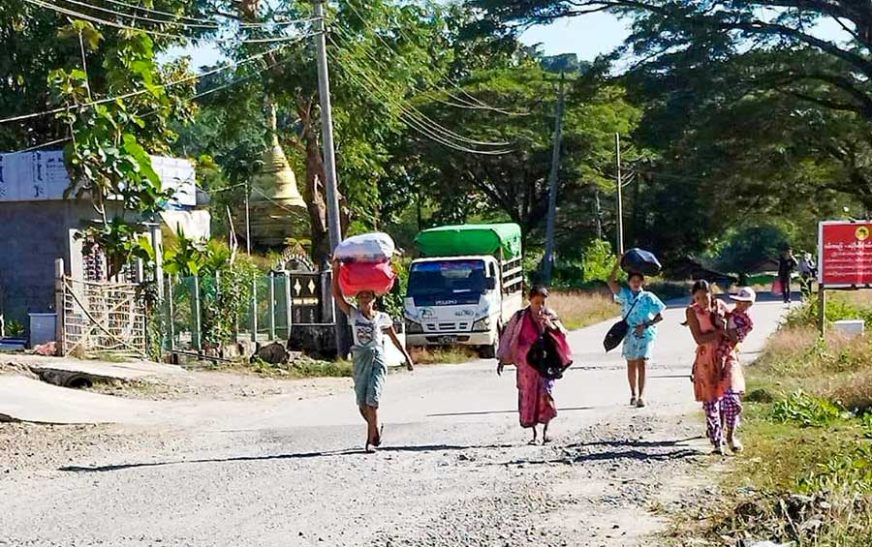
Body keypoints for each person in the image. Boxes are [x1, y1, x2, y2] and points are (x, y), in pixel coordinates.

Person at [331, 258, 414, 453]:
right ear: (358, 299)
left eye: (368, 297)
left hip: (377, 358)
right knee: (362, 404)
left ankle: (369, 441)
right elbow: (337, 296)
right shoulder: (353, 314)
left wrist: (407, 358)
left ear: (374, 299)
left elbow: (393, 338)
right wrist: (336, 272)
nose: (365, 300)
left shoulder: (382, 318)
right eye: (362, 297)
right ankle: (375, 428)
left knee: (372, 401)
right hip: (360, 359)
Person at [497, 286, 566, 445]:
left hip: (545, 363)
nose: (540, 306)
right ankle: (534, 434)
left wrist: (549, 325)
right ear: (530, 300)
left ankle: (546, 432)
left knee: (545, 393)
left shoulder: (550, 315)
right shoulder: (520, 316)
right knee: (528, 397)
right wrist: (502, 358)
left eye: (542, 302)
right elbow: (508, 338)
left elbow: (561, 334)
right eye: (536, 302)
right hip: (526, 365)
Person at [608, 256, 666, 408]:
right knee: (631, 364)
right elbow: (610, 282)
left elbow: (660, 316)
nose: (635, 283)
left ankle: (642, 395)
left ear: (642, 282)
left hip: (645, 334)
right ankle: (633, 393)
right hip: (629, 333)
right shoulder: (624, 295)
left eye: (638, 281)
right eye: (633, 281)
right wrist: (617, 263)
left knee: (643, 363)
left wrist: (647, 324)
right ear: (629, 282)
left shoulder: (648, 297)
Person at [686, 280, 730, 455]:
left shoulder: (721, 307)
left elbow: (732, 329)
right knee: (710, 398)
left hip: (724, 354)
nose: (702, 301)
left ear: (711, 294)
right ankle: (716, 440)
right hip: (705, 357)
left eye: (705, 297)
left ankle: (724, 431)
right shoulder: (692, 311)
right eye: (698, 298)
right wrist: (719, 332)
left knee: (725, 395)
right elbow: (699, 338)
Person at [715, 287, 756, 453]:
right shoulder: (730, 313)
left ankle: (730, 434)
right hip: (719, 347)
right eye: (738, 301)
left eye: (744, 303)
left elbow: (735, 338)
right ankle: (718, 432)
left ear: (749, 304)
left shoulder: (746, 321)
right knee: (717, 397)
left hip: (729, 350)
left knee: (730, 397)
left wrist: (724, 328)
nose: (740, 305)